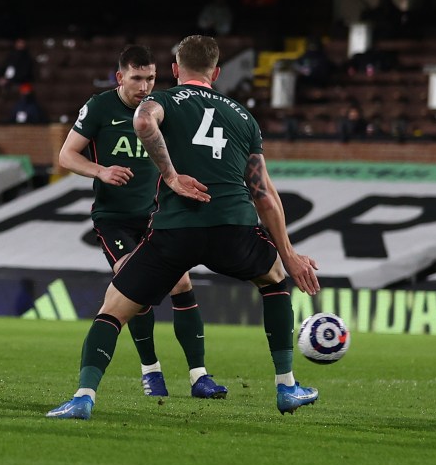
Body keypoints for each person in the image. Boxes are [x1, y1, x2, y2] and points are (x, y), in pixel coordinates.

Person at [47, 35, 321, 420]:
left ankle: (83, 397)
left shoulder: (162, 102)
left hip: (175, 231)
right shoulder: (243, 116)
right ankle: (287, 386)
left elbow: (143, 121)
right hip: (233, 228)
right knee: (274, 280)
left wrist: (172, 177)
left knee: (112, 310)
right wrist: (289, 255)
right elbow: (263, 192)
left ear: (174, 71)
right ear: (217, 72)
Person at [58, 45, 227, 399]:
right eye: (137, 78)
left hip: (155, 215)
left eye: (150, 78)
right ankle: (151, 370)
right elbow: (66, 155)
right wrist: (101, 170)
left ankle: (199, 375)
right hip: (115, 220)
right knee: (133, 286)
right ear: (120, 77)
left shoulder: (161, 108)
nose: (145, 86)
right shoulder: (100, 107)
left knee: (182, 283)